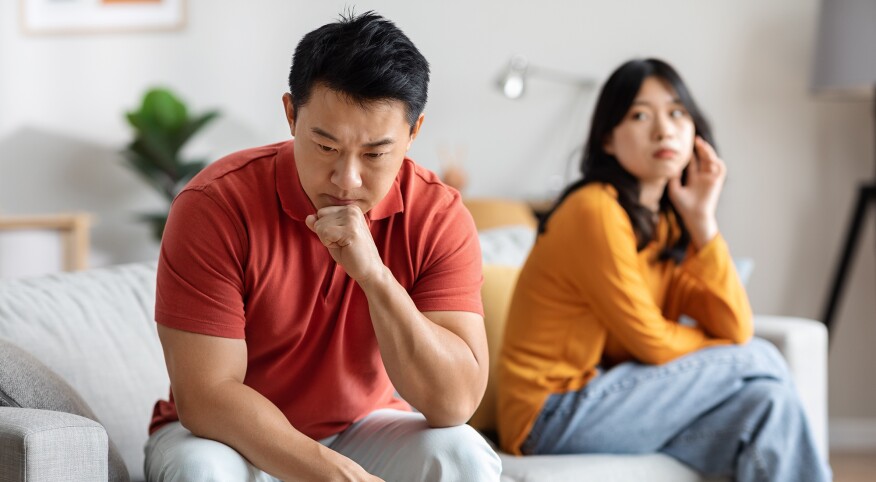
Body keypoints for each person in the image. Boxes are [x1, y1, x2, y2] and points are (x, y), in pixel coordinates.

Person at [144, 11, 501, 482]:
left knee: (463, 455)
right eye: (326, 146)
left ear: (413, 133)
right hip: (228, 438)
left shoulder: (437, 215)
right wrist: (332, 475)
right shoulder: (214, 205)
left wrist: (374, 275)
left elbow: (454, 402)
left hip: (362, 427)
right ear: (291, 115)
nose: (346, 179)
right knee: (200, 471)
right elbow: (206, 395)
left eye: (375, 154)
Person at [497, 58, 831, 481]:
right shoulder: (595, 210)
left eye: (677, 112)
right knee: (759, 356)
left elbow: (733, 324)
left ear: (694, 131)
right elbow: (652, 342)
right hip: (549, 415)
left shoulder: (669, 224)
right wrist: (717, 348)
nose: (663, 129)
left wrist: (704, 224)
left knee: (768, 402)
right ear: (608, 141)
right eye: (640, 115)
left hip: (606, 400)